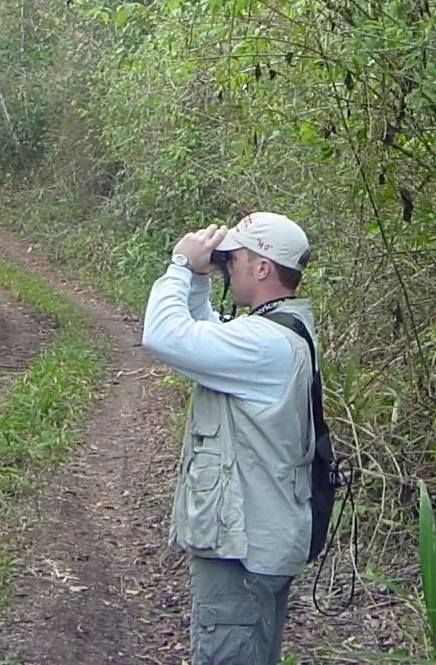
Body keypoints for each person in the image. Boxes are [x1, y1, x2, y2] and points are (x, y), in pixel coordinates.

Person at [141, 212, 317, 665]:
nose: (228, 266)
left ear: (262, 268)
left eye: (234, 258)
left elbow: (164, 336)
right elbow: (209, 340)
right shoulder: (279, 331)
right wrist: (200, 282)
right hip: (259, 538)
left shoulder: (265, 343)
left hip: (243, 552)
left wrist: (180, 266)